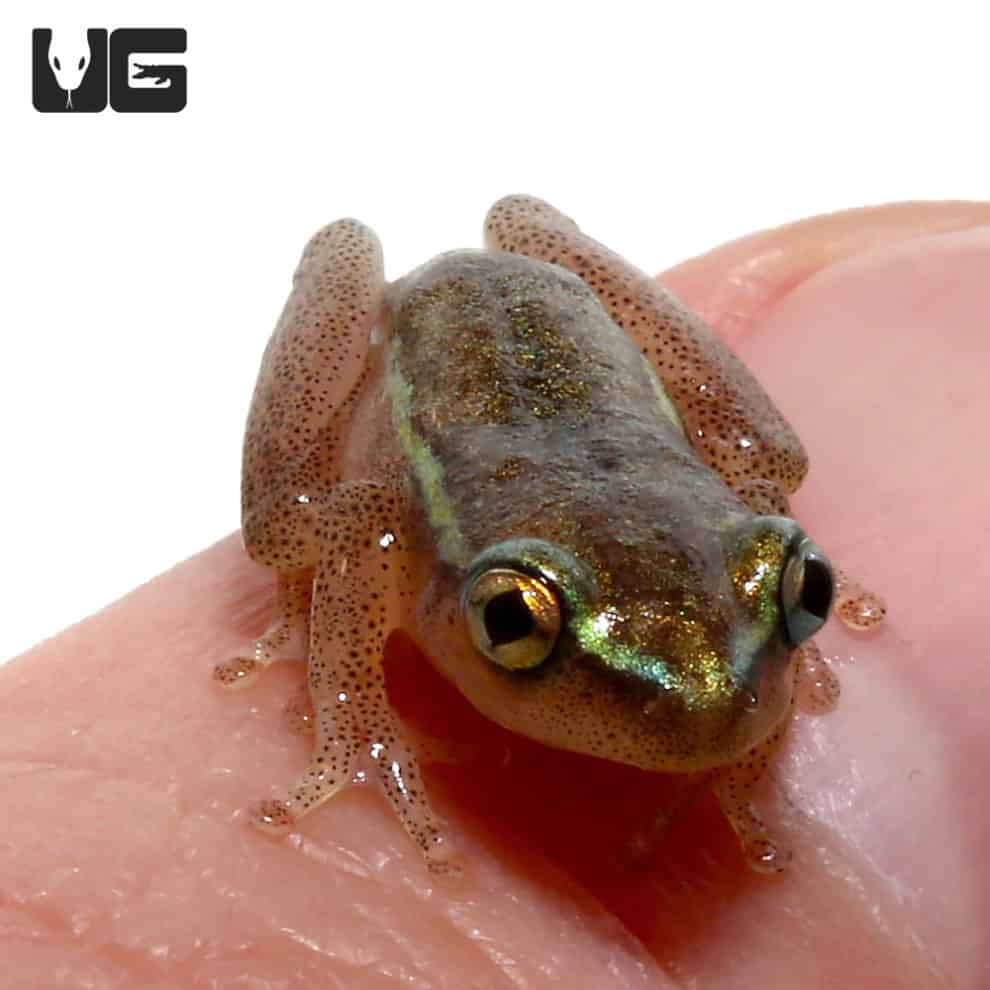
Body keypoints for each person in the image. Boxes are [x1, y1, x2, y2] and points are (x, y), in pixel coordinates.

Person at [1, 202, 986, 988]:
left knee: (764, 462)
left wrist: (763, 673)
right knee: (290, 523)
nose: (714, 693)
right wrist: (352, 712)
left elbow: (739, 571)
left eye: (794, 601)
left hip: (574, 363)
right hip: (430, 343)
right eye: (517, 625)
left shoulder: (732, 592)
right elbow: (363, 528)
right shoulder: (401, 545)